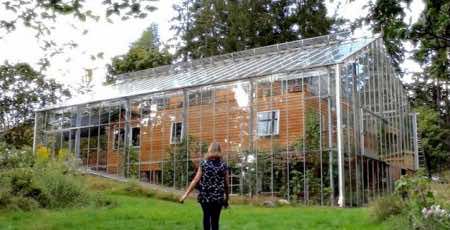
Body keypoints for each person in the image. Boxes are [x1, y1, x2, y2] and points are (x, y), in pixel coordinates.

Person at [179, 142, 229, 230]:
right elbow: (226, 184)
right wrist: (227, 198)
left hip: (205, 197)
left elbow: (195, 180)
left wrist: (185, 195)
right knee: (215, 221)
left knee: (206, 217)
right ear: (219, 151)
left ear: (209, 150)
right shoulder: (223, 165)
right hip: (218, 198)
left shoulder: (204, 164)